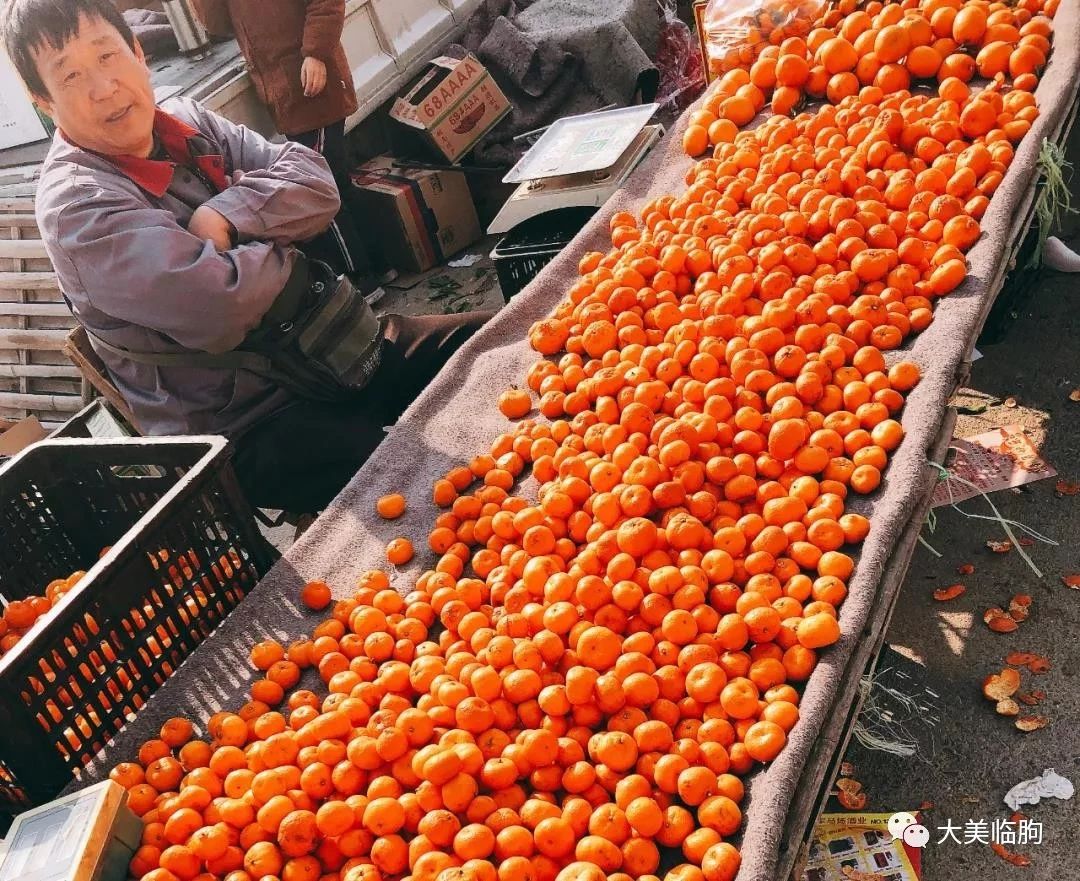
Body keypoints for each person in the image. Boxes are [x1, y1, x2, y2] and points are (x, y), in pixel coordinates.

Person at [3, 0, 493, 513]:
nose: (102, 88)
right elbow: (221, 308)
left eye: (107, 56)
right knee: (441, 493)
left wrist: (226, 219)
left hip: (328, 346)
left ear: (138, 52)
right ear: (44, 100)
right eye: (71, 75)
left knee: (502, 345)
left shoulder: (182, 118)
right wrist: (279, 234)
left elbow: (317, 184)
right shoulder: (79, 206)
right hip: (252, 427)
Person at [189, 0, 395, 287]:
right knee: (335, 183)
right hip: (288, 98)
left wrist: (315, 54)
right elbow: (220, 26)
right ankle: (380, 266)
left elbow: (327, 3)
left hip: (315, 94)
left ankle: (360, 278)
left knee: (317, 187)